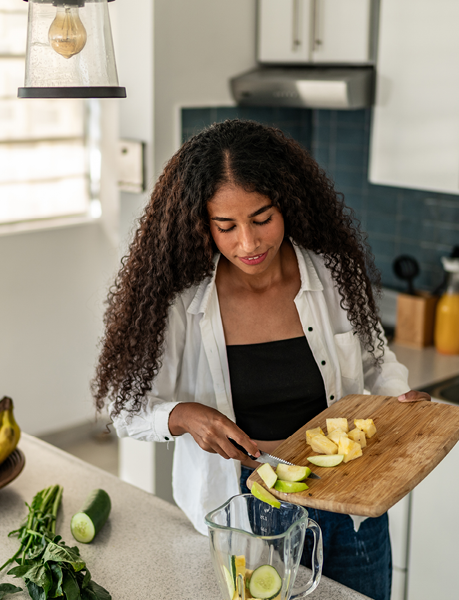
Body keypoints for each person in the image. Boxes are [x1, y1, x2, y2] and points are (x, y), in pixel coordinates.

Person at [92, 119, 430, 599]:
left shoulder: (335, 272)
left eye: (262, 218)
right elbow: (125, 407)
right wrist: (183, 416)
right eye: (226, 226)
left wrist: (398, 398)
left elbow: (377, 360)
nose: (248, 244)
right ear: (200, 223)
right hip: (247, 508)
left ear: (286, 204)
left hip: (350, 502)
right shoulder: (180, 301)